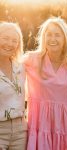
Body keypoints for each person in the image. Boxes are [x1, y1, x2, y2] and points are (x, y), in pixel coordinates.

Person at [24, 17, 67, 150]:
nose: (52, 39)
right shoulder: (32, 60)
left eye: (57, 35)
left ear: (65, 39)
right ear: (43, 37)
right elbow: (10, 68)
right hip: (39, 126)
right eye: (49, 34)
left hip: (65, 127)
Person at [0, 22, 27, 150]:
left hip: (20, 130)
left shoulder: (21, 67)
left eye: (14, 40)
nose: (9, 44)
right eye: (5, 38)